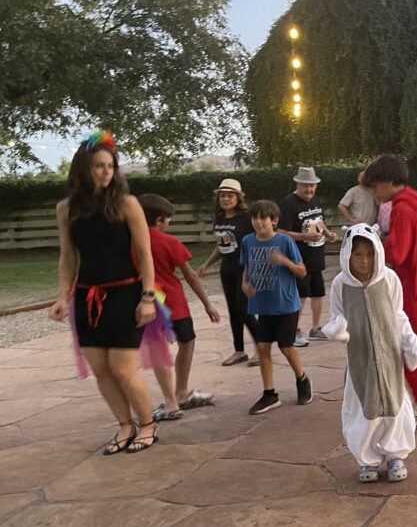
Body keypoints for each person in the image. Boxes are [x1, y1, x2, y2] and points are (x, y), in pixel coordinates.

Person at [48, 130, 160, 454]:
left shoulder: (127, 203)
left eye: (110, 166)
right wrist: (62, 296)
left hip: (125, 294)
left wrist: (148, 297)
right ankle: (125, 426)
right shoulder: (66, 209)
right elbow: (68, 256)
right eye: (99, 166)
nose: (106, 172)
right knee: (101, 369)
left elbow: (146, 254)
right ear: (84, 169)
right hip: (87, 297)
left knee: (122, 368)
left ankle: (148, 425)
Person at [323, 224, 417, 482]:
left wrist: (410, 344)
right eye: (357, 254)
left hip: (389, 356)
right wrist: (337, 329)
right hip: (360, 358)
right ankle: (366, 460)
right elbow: (336, 316)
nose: (364, 261)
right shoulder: (340, 285)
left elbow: (398, 314)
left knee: (394, 404)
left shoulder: (389, 279)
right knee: (362, 408)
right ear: (347, 254)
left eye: (369, 254)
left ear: (378, 252)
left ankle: (395, 455)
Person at [363, 153, 417, 429]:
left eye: (375, 186)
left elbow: (397, 252)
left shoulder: (402, 208)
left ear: (387, 181)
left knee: (415, 347)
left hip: (415, 287)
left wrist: (372, 245)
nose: (375, 193)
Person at [137, 194, 220, 421]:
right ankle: (181, 392)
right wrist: (207, 304)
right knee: (187, 341)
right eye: (168, 218)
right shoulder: (170, 242)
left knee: (157, 348)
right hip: (173, 303)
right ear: (160, 220)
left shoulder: (132, 242)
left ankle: (170, 398)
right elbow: (191, 276)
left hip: (146, 303)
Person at [241, 200, 313, 414]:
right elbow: (247, 267)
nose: (258, 222)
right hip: (263, 306)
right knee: (263, 348)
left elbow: (302, 271)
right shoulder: (247, 241)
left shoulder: (284, 241)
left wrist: (284, 261)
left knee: (286, 347)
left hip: (286, 304)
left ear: (274, 221)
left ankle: (302, 380)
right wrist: (245, 283)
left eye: (263, 218)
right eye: (254, 218)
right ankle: (269, 394)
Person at [197, 178, 259, 367]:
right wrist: (206, 264)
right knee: (233, 311)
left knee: (244, 310)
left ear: (238, 198)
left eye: (230, 196)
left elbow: (258, 241)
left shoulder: (246, 218)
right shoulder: (220, 218)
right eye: (222, 196)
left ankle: (262, 348)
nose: (225, 199)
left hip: (245, 269)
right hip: (227, 269)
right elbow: (221, 246)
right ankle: (239, 351)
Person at [277, 166, 337, 344]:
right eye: (306, 186)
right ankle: (293, 331)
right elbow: (281, 232)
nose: (309, 189)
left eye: (312, 186)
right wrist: (304, 236)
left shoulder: (316, 200)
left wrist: (328, 234)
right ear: (297, 184)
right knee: (300, 294)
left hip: (316, 254)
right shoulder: (288, 203)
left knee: (318, 292)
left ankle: (316, 328)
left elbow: (319, 221)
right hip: (299, 258)